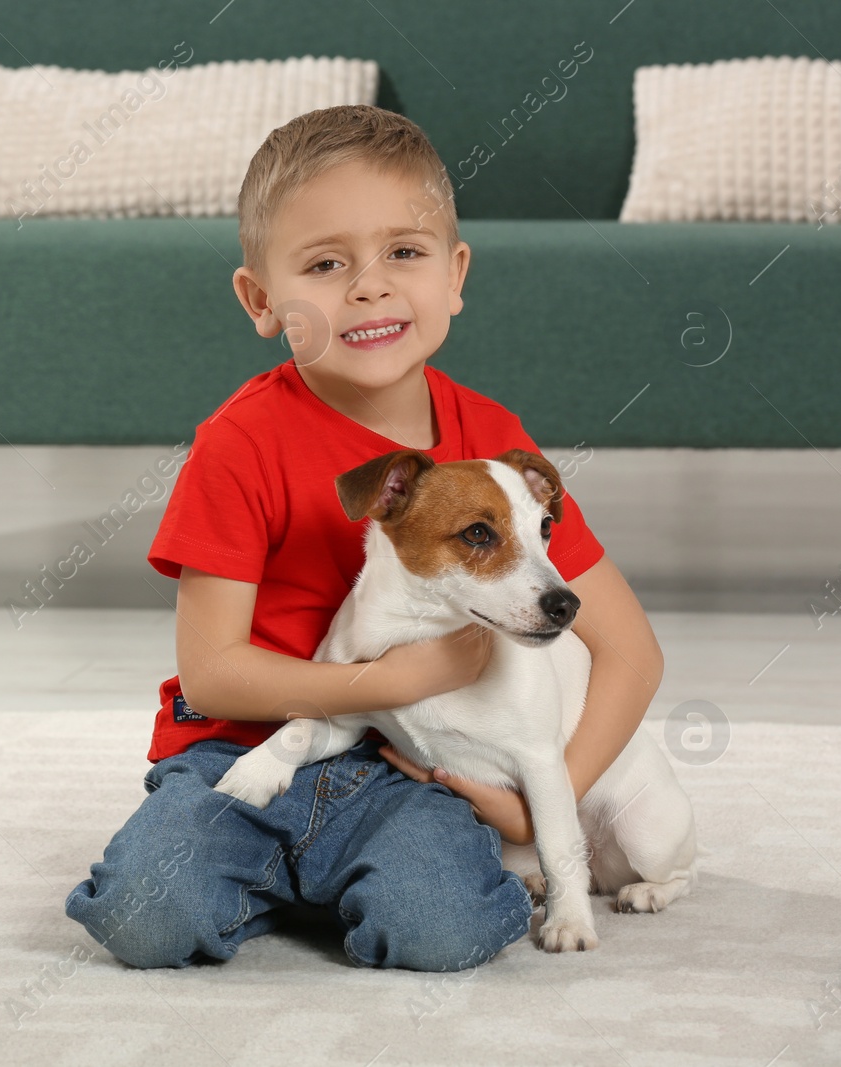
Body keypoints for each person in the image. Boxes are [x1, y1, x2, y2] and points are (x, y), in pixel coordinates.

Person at [64, 104, 665, 971]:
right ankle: (285, 875)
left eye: (405, 253)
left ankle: (338, 880)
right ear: (262, 300)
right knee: (143, 918)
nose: (370, 286)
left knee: (442, 929)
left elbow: (631, 651)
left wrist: (547, 805)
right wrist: (399, 675)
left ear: (456, 275)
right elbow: (213, 671)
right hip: (240, 745)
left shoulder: (489, 442)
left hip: (403, 765)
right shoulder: (240, 442)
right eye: (325, 263)